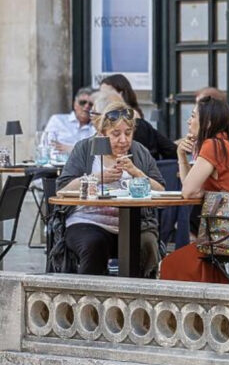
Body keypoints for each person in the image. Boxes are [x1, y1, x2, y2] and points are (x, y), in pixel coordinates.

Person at [55, 100, 165, 277]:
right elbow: (62, 189)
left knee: (146, 243)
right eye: (116, 134)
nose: (123, 140)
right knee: (94, 244)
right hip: (88, 221)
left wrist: (136, 172)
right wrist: (97, 178)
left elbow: (160, 190)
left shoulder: (139, 151)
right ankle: (89, 298)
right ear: (102, 133)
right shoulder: (84, 148)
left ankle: (140, 297)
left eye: (128, 133)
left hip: (134, 223)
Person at [178, 95, 229, 200]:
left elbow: (188, 193)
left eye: (193, 116)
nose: (188, 121)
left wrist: (203, 192)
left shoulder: (212, 146)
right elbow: (189, 186)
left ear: (208, 123)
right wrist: (182, 157)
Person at [100, 74, 177, 159]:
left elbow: (169, 148)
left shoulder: (135, 120)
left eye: (106, 94)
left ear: (120, 94)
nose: (102, 99)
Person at [44, 87, 96, 153]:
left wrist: (71, 149)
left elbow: (97, 152)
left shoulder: (96, 127)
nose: (87, 106)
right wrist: (83, 150)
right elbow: (47, 146)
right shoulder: (57, 120)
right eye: (82, 102)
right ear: (75, 104)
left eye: (91, 104)